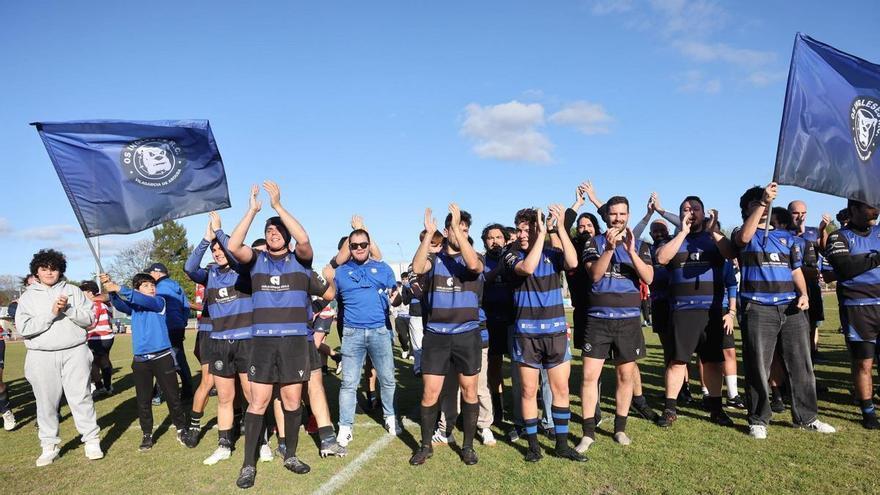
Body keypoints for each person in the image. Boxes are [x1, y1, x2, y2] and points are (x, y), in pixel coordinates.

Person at [226, 182, 317, 488]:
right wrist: (253, 211)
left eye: (278, 230)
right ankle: (248, 464)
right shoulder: (255, 260)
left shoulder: (301, 259)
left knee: (292, 400)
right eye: (269, 231)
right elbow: (233, 246)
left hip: (293, 341)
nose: (273, 233)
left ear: (287, 236)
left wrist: (278, 207)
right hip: (263, 341)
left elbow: (304, 239)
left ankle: (289, 454)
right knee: (258, 402)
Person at [734, 183, 835, 439]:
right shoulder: (743, 232)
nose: (765, 206)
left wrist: (804, 294)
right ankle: (758, 418)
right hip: (757, 307)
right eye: (758, 202)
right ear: (748, 208)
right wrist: (761, 203)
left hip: (790, 308)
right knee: (759, 365)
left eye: (766, 203)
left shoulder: (787, 238)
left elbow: (795, 270)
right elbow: (743, 239)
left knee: (802, 365)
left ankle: (807, 417)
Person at [503, 206, 585, 463]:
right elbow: (527, 269)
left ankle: (561, 444)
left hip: (556, 333)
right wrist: (540, 236)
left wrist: (558, 227)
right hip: (526, 335)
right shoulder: (511, 254)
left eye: (528, 229)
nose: (522, 234)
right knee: (529, 391)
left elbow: (573, 262)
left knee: (560, 389)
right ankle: (533, 446)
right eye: (520, 229)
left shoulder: (553, 253)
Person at [409, 205, 485, 466]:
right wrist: (430, 235)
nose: (460, 233)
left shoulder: (475, 256)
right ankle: (425, 445)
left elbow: (474, 265)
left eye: (464, 229)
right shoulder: (434, 257)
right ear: (445, 230)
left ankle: (467, 447)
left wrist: (459, 231)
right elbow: (418, 268)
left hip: (467, 335)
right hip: (436, 337)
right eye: (455, 228)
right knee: (430, 393)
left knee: (469, 392)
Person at [655, 196, 736, 428]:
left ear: (704, 213)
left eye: (696, 209)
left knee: (712, 362)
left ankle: (716, 409)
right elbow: (661, 258)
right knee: (677, 360)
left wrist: (713, 232)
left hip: (711, 310)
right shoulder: (675, 239)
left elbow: (730, 253)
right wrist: (682, 233)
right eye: (686, 209)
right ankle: (670, 409)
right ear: (680, 214)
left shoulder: (714, 239)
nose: (691, 213)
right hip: (683, 310)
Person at [580, 196, 654, 449]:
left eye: (622, 214)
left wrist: (631, 252)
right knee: (589, 376)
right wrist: (610, 249)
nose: (617, 219)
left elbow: (649, 277)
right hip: (598, 320)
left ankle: (620, 429)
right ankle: (588, 433)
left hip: (629, 321)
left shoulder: (642, 244)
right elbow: (595, 275)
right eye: (613, 214)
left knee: (625, 376)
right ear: (607, 216)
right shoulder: (594, 241)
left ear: (628, 216)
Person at [16, 249, 102, 466]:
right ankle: (49, 445)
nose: (49, 272)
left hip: (75, 351)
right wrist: (52, 313)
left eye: (53, 268)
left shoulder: (73, 291)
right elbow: (24, 328)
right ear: (36, 271)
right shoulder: (27, 297)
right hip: (41, 355)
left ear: (60, 270)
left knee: (81, 398)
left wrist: (69, 310)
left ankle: (91, 440)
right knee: (45, 403)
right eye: (44, 269)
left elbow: (90, 319)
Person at [102, 272, 189, 451]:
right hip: (141, 361)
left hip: (162, 358)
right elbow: (119, 303)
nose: (151, 288)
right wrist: (110, 289)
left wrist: (118, 287)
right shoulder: (135, 307)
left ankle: (181, 429)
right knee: (143, 400)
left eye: (152, 285)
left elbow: (140, 299)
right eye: (146, 285)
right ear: (137, 289)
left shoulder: (159, 302)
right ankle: (147, 434)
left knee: (173, 397)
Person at [333, 225, 400, 448]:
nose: (360, 248)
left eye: (364, 244)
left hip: (379, 330)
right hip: (352, 332)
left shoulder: (382, 268)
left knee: (388, 378)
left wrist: (397, 296)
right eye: (354, 245)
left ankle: (390, 417)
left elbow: (395, 293)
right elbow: (327, 273)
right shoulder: (340, 271)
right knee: (349, 383)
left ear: (370, 245)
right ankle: (345, 427)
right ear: (348, 248)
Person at [824, 199, 880, 429]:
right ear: (854, 209)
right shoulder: (838, 237)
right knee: (863, 362)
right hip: (858, 307)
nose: (875, 207)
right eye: (869, 204)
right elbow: (845, 268)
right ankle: (868, 412)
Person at [481, 223, 514, 427]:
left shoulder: (514, 257)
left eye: (498, 237)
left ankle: (522, 407)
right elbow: (481, 281)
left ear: (505, 239)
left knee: (520, 366)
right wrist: (499, 270)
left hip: (514, 318)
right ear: (485, 241)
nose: (495, 241)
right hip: (490, 319)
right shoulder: (480, 260)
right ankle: (497, 408)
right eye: (490, 238)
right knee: (494, 366)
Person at [146, 262, 193, 402]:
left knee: (165, 359)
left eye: (150, 273)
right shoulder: (177, 286)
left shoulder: (159, 288)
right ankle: (187, 390)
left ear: (157, 273)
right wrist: (182, 322)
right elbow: (186, 306)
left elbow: (156, 308)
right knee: (178, 358)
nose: (149, 276)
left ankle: (158, 394)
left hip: (166, 327)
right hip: (178, 326)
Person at [789, 200, 826, 359]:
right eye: (796, 213)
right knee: (793, 324)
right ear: (789, 213)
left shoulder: (813, 231)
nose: (800, 216)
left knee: (812, 323)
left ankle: (812, 353)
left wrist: (823, 230)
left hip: (811, 283)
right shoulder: (783, 232)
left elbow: (825, 248)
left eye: (803, 213)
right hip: (792, 285)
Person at [79, 281, 115, 396]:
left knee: (94, 362)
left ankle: (101, 387)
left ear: (90, 292)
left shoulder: (94, 304)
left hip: (97, 337)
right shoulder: (105, 302)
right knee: (104, 360)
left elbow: (92, 324)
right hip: (108, 336)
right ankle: (108, 386)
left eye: (83, 292)